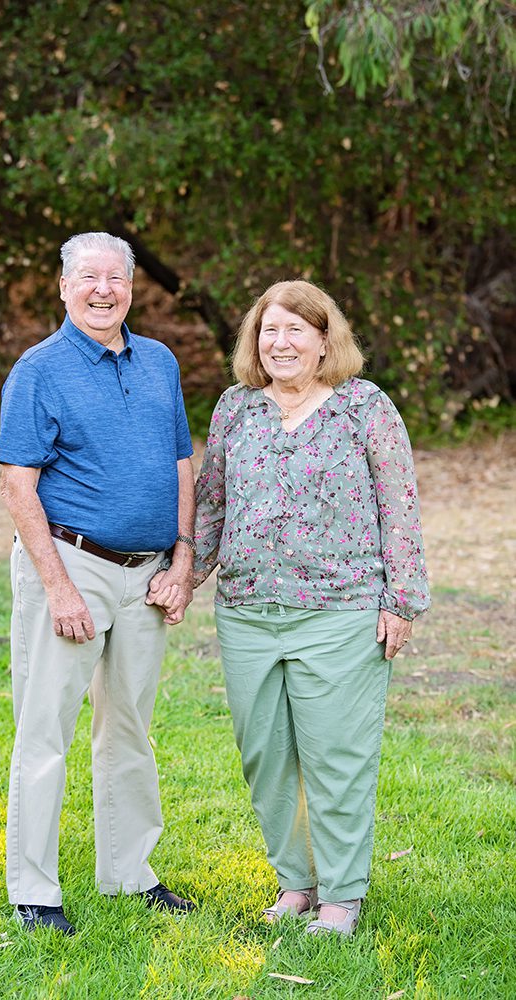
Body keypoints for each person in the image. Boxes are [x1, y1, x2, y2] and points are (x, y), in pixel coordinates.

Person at [193, 279, 429, 937]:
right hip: (246, 611)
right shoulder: (236, 409)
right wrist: (184, 575)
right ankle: (295, 883)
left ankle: (341, 897)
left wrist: (402, 600)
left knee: (336, 757)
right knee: (264, 756)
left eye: (296, 329)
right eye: (269, 330)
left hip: (341, 612)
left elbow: (398, 504)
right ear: (253, 342)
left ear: (325, 339)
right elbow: (211, 502)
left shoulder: (363, 407)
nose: (280, 342)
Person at [0, 232, 196, 936]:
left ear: (132, 288)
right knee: (46, 728)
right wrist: (59, 588)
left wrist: (182, 558)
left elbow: (179, 463)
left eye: (115, 277)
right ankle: (34, 890)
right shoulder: (39, 369)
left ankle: (129, 874)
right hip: (70, 562)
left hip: (146, 575)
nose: (102, 289)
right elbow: (18, 486)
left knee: (130, 728)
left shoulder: (159, 362)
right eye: (88, 277)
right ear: (63, 287)